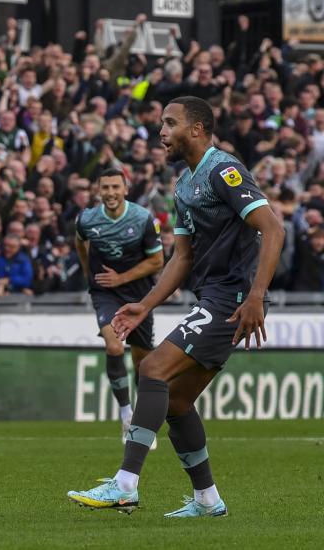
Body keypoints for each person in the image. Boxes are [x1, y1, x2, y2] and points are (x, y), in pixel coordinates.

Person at [68, 96, 284, 517]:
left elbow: (273, 228)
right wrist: (144, 304)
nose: (161, 132)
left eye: (170, 123)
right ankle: (208, 500)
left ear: (197, 129)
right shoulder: (184, 184)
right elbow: (182, 257)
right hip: (214, 296)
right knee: (178, 401)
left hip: (233, 299)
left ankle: (125, 484)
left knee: (152, 369)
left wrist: (256, 295)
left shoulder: (224, 170)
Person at [75, 168, 163, 442]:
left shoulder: (142, 218)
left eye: (115, 187)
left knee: (142, 363)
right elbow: (80, 241)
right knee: (113, 346)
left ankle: (142, 420)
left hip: (138, 294)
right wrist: (88, 271)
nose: (110, 193)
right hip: (105, 292)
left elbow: (157, 261)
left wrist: (122, 278)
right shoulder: (86, 219)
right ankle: (126, 415)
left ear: (125, 189)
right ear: (98, 190)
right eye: (105, 187)